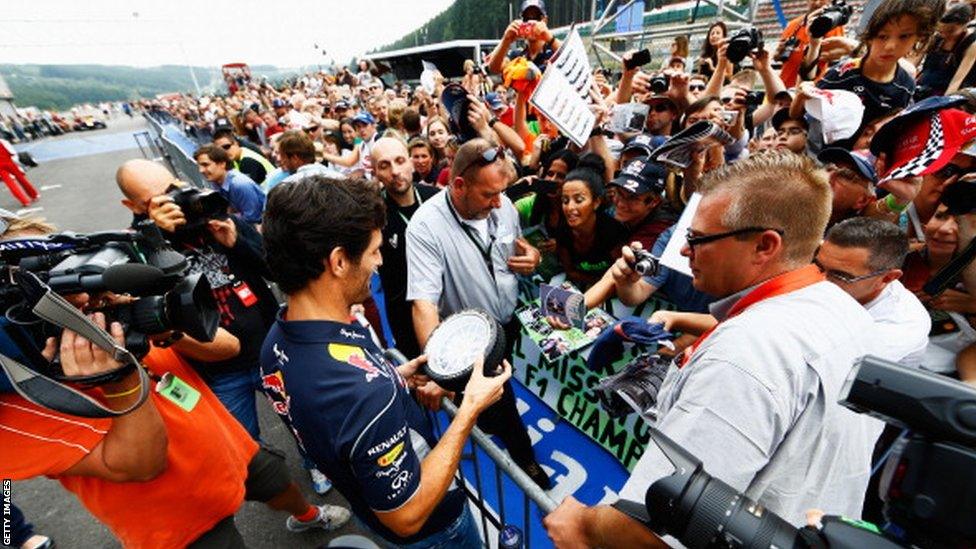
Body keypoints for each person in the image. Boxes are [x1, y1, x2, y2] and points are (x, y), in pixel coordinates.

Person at [544, 152, 883, 547]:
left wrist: (583, 523)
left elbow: (649, 528)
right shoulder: (848, 312)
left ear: (764, 246)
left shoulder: (744, 354)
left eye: (697, 239)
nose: (684, 253)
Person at [260, 176, 510, 547]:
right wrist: (469, 409)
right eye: (375, 250)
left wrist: (393, 376)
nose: (380, 261)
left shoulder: (277, 337)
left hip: (366, 505)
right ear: (339, 261)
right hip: (434, 533)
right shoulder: (363, 395)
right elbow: (406, 517)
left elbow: (336, 415)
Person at [406, 138, 551, 488]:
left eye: (501, 192)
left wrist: (534, 258)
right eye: (488, 195)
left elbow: (515, 253)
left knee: (496, 403)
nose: (499, 202)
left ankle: (491, 423)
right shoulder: (424, 227)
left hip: (508, 321)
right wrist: (444, 372)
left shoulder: (503, 206)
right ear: (459, 185)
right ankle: (527, 462)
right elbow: (423, 304)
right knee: (506, 407)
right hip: (472, 346)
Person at [117, 159, 276, 440]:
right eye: (158, 200)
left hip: (270, 349)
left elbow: (272, 269)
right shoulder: (136, 248)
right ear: (134, 207)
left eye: (173, 189)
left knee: (304, 423)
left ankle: (315, 465)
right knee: (245, 445)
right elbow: (147, 304)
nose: (174, 202)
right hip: (217, 367)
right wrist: (156, 238)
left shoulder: (212, 215)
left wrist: (238, 244)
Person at [800, 0, 940, 149]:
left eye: (904, 36)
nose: (890, 46)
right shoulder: (841, 74)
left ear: (920, 38)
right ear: (869, 37)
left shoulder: (906, 86)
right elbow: (805, 111)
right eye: (882, 36)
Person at [817, 217, 930, 367]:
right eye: (818, 266)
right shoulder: (822, 279)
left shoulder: (903, 323)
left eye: (840, 276)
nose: (821, 281)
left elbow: (825, 364)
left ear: (887, 278)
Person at [372, 137, 440, 359]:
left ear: (411, 162)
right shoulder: (373, 216)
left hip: (448, 306)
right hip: (405, 318)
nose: (394, 171)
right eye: (384, 165)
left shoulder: (436, 200)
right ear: (375, 172)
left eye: (400, 161)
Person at [554, 167, 627, 289]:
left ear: (596, 202)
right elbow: (570, 271)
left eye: (579, 200)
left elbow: (621, 277)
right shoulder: (563, 231)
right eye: (565, 201)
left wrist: (598, 290)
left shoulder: (613, 232)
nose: (570, 207)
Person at [607, 159, 677, 250]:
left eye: (632, 198)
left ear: (653, 202)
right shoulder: (612, 208)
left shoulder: (660, 229)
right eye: (619, 193)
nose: (621, 204)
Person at [775, 0, 847, 87]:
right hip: (784, 86)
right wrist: (778, 54)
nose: (816, 3)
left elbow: (835, 56)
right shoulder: (793, 24)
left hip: (811, 87)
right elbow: (778, 55)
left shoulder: (834, 26)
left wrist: (813, 47)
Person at [193, 144, 266, 226]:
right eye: (199, 166)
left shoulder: (239, 184)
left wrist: (225, 220)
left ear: (222, 164)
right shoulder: (216, 181)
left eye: (205, 165)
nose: (201, 170)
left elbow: (252, 219)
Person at [487, 0, 562, 75]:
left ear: (545, 20)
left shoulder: (554, 51)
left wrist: (549, 38)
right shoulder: (517, 56)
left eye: (536, 18)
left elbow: (571, 59)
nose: (531, 23)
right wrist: (505, 40)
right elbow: (494, 68)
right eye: (527, 19)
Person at [918, 4, 976, 96]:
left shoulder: (971, 44)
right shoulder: (937, 36)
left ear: (965, 24)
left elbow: (957, 80)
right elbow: (916, 60)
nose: (944, 35)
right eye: (941, 31)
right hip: (925, 85)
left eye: (951, 31)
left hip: (950, 89)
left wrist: (944, 103)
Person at [277, 130, 343, 184]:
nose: (280, 159)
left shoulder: (287, 187)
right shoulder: (340, 178)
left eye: (283, 156)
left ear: (295, 158)